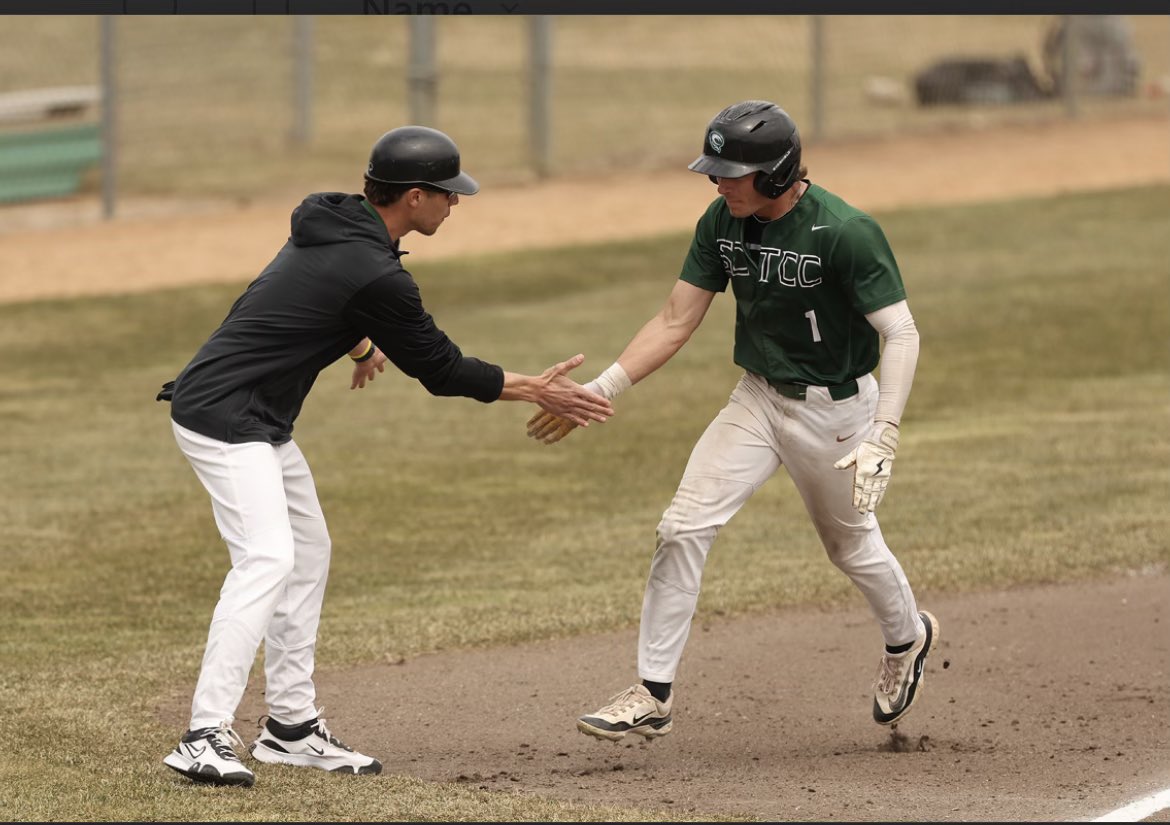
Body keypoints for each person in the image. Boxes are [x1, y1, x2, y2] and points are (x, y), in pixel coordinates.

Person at [157, 125, 614, 787]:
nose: (455, 204)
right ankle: (203, 734)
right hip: (225, 416)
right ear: (416, 196)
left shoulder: (335, 221)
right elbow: (441, 368)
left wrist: (360, 343)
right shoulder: (375, 270)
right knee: (268, 556)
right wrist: (535, 389)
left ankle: (289, 727)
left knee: (308, 550)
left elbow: (318, 293)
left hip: (255, 414)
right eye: (449, 194)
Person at [527, 100, 938, 741]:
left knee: (849, 546)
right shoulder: (722, 221)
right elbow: (674, 320)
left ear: (775, 174)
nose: (716, 182)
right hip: (757, 398)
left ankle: (907, 639)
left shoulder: (845, 231)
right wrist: (600, 390)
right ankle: (653, 693)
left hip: (837, 411)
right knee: (682, 527)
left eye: (730, 171)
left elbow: (902, 332)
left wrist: (885, 429)